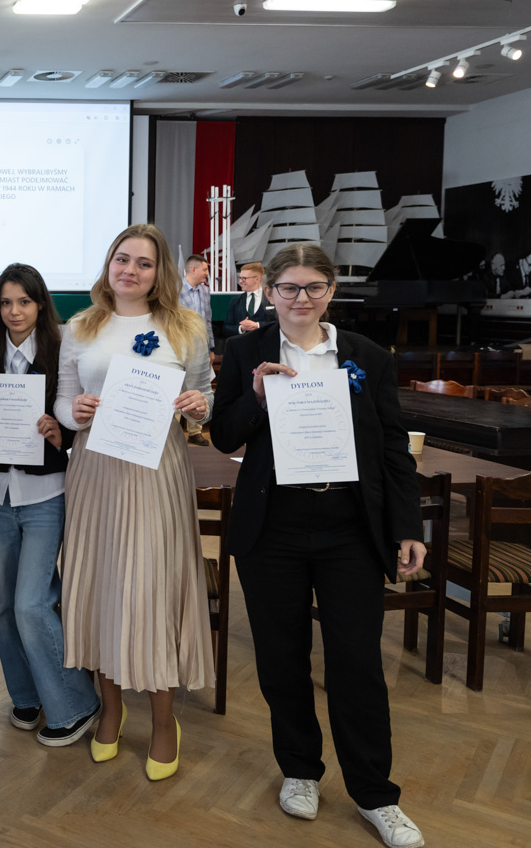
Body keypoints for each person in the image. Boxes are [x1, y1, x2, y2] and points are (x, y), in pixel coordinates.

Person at [207, 243, 427, 848]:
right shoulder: (245, 351)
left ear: (331, 291)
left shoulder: (367, 356)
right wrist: (255, 398)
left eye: (314, 287)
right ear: (269, 292)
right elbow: (222, 434)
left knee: (357, 664)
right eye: (289, 288)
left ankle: (376, 794)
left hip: (349, 527)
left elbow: (393, 447)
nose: (301, 298)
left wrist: (408, 527)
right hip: (272, 527)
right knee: (281, 659)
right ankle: (300, 769)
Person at [55, 223, 214, 781]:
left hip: (156, 471)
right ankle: (112, 708)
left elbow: (205, 396)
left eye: (144, 263)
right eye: (122, 259)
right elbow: (64, 400)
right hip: (96, 470)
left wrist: (199, 405)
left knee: (151, 589)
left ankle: (165, 720)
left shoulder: (186, 327)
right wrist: (73, 412)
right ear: (108, 264)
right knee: (102, 584)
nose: (130, 270)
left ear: (159, 272)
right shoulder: (80, 327)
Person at [0, 263, 99, 747]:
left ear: (40, 304)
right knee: (5, 608)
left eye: (23, 301)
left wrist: (62, 434)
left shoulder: (63, 354)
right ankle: (27, 695)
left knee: (32, 603)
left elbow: (79, 424)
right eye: (5, 303)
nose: (14, 311)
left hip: (46, 495)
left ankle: (75, 703)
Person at [223, 261, 278, 336]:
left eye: (244, 278)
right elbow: (226, 328)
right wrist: (241, 328)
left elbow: (280, 324)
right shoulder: (235, 301)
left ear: (257, 279)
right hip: (242, 342)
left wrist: (258, 325)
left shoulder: (272, 298)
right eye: (240, 278)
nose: (240, 281)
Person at [179, 254, 214, 353]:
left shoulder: (206, 291)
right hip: (181, 346)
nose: (207, 273)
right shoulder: (174, 289)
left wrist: (211, 348)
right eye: (204, 270)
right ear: (194, 269)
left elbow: (208, 321)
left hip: (202, 348)